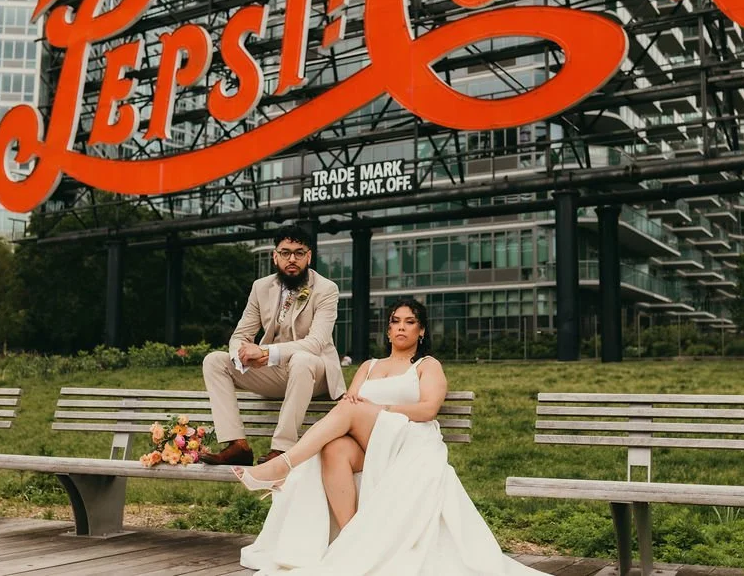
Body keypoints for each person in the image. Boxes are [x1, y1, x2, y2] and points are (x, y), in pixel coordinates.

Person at [233, 299, 544, 575]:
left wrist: (381, 409)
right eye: (395, 321)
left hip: (408, 438)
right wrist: (363, 411)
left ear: (421, 331)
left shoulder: (426, 365)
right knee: (335, 448)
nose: (401, 328)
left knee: (353, 412)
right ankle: (354, 536)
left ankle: (283, 464)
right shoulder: (368, 366)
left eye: (410, 322)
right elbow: (350, 404)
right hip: (371, 442)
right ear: (387, 331)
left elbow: (428, 409)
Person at [200, 225, 346, 466]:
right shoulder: (261, 287)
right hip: (275, 373)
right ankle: (237, 445)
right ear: (274, 256)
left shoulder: (326, 289)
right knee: (214, 361)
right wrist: (243, 354)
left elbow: (316, 343)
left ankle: (282, 449)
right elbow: (241, 335)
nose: (292, 259)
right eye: (285, 252)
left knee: (302, 360)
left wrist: (266, 352)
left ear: (309, 256)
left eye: (299, 253)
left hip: (315, 373)